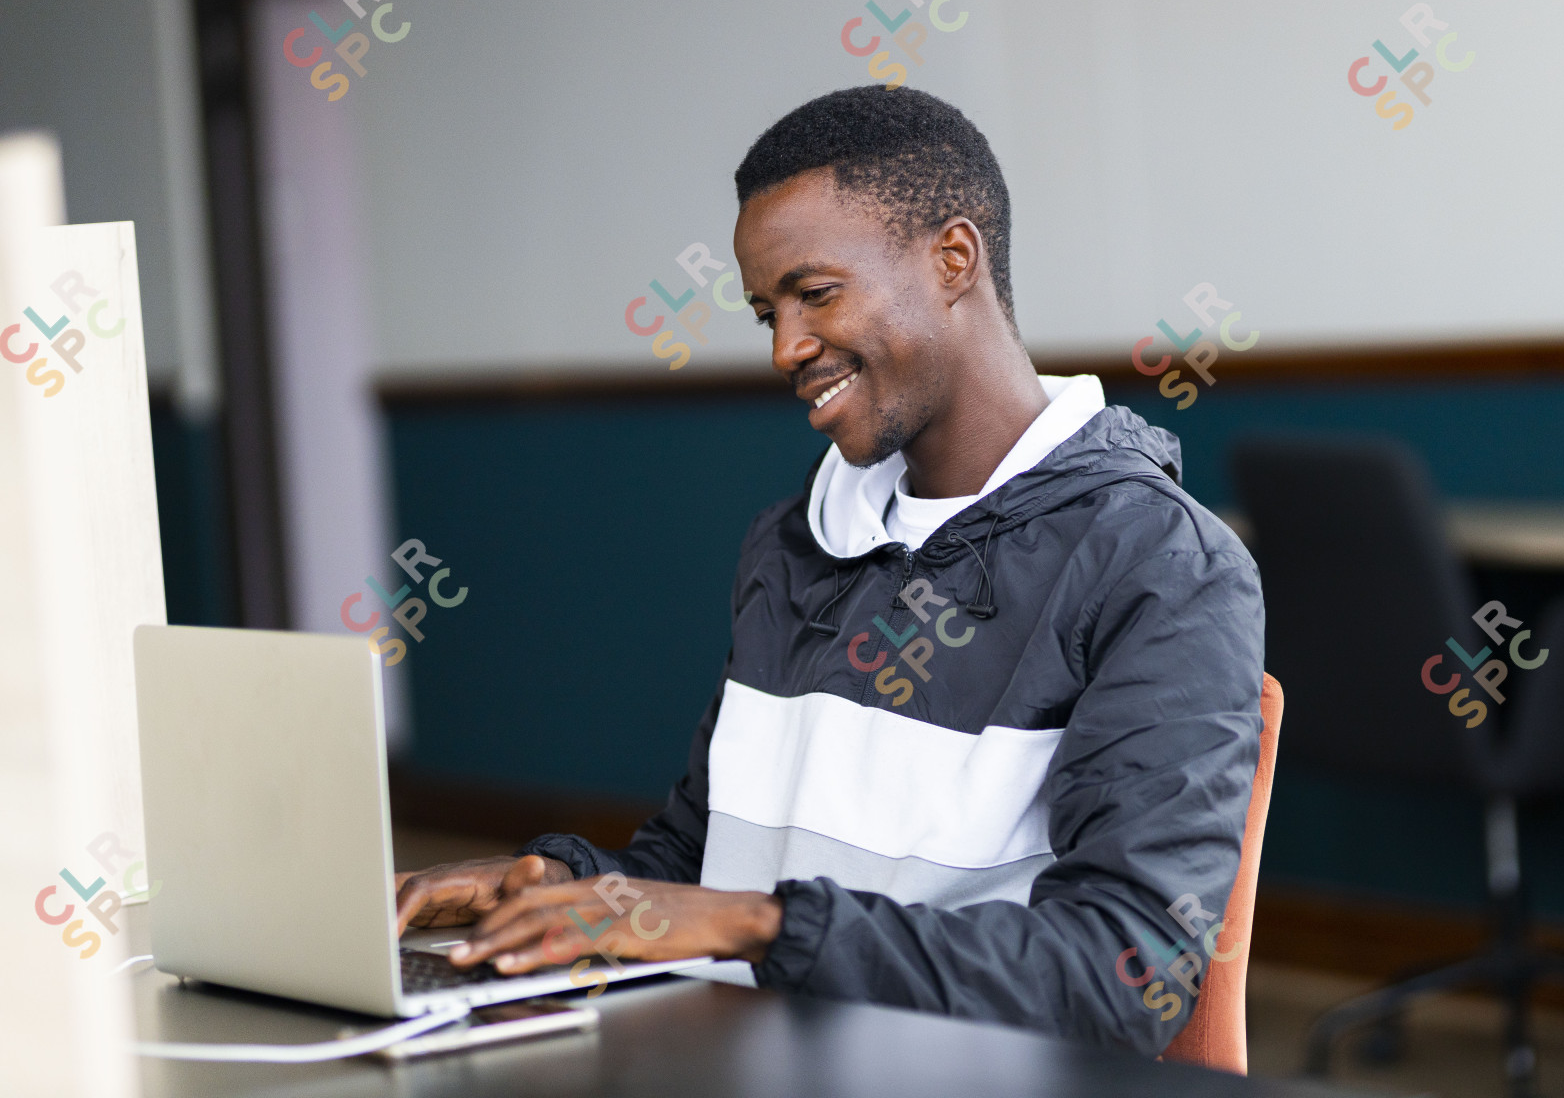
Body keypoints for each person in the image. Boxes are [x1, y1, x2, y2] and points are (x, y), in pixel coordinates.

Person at [393, 85, 1266, 1055]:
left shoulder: (1157, 560)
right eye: (766, 309)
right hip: (736, 1057)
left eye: (815, 293)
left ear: (953, 259)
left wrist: (759, 923)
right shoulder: (797, 542)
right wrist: (553, 878)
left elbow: (1125, 970)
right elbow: (695, 857)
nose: (784, 347)